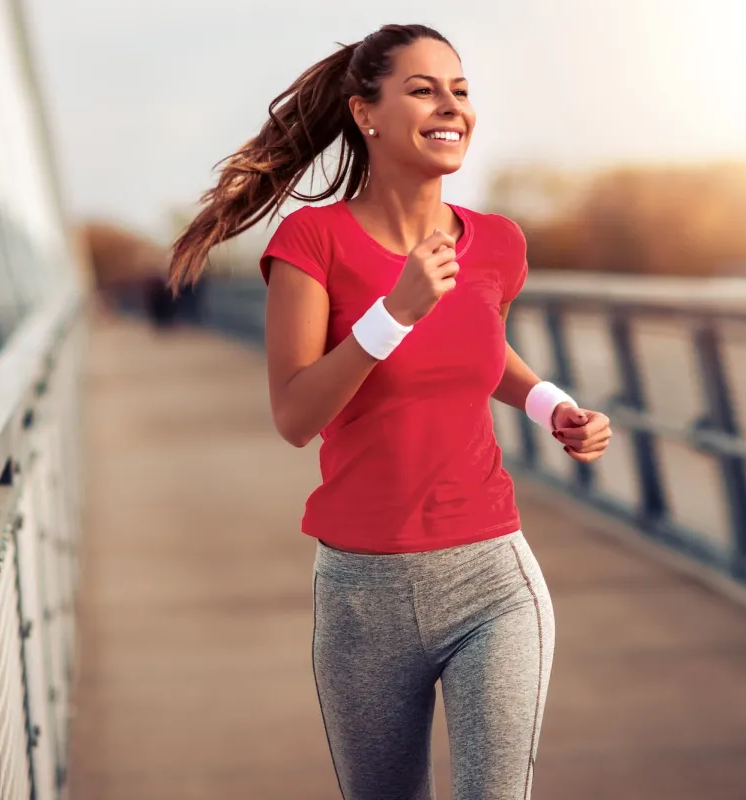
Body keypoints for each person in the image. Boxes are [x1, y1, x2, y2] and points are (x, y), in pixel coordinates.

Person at [168, 23, 612, 800]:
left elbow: (477, 352)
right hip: (361, 596)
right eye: (422, 88)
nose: (452, 106)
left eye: (461, 89)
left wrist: (553, 405)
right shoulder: (313, 241)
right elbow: (296, 413)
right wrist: (392, 313)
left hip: (492, 579)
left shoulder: (498, 244)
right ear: (365, 112)